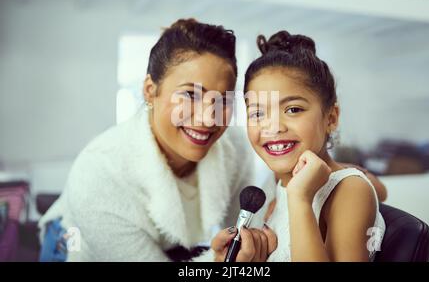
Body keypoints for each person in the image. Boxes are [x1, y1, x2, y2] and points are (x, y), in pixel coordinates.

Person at [38, 19, 276, 262]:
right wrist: (217, 262)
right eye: (190, 94)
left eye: (222, 100)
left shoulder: (234, 148)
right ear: (150, 91)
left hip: (162, 245)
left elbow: (243, 233)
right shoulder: (98, 173)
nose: (208, 118)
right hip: (74, 247)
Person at [243, 30, 385, 261]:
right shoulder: (275, 185)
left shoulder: (349, 191)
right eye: (257, 113)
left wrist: (300, 200)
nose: (273, 127)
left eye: (293, 109)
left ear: (331, 118)